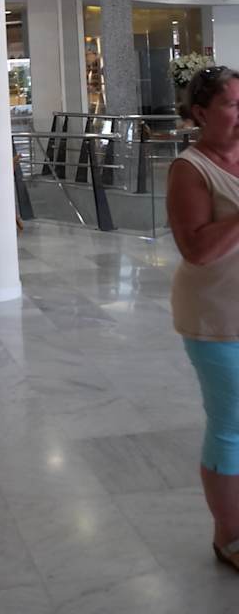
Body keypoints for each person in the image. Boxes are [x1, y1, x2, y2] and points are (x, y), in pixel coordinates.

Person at [167, 65, 239, 571]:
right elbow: (196, 250)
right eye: (232, 104)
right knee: (231, 427)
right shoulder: (189, 169)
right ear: (200, 113)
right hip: (218, 320)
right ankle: (229, 537)